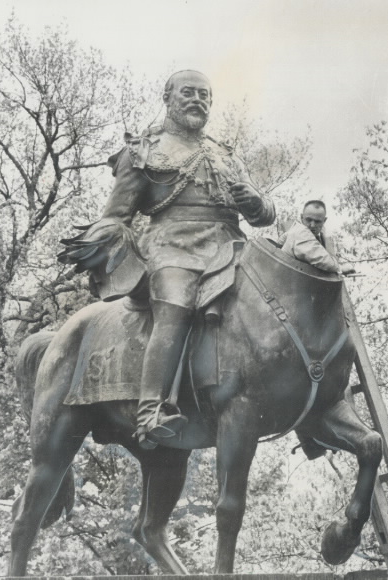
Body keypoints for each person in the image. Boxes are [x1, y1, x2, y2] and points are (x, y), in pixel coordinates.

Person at [60, 70, 275, 449]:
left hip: (232, 248)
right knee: (175, 304)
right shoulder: (143, 151)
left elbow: (263, 214)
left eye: (205, 96)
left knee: (276, 300)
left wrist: (259, 204)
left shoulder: (225, 155)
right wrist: (109, 241)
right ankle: (150, 412)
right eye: (188, 93)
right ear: (168, 97)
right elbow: (116, 214)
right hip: (172, 248)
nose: (197, 101)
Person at [280, 200, 354, 275]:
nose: (312, 225)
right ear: (302, 217)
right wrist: (327, 238)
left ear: (324, 221)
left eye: (317, 221)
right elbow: (330, 265)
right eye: (308, 220)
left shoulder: (297, 231)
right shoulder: (301, 233)